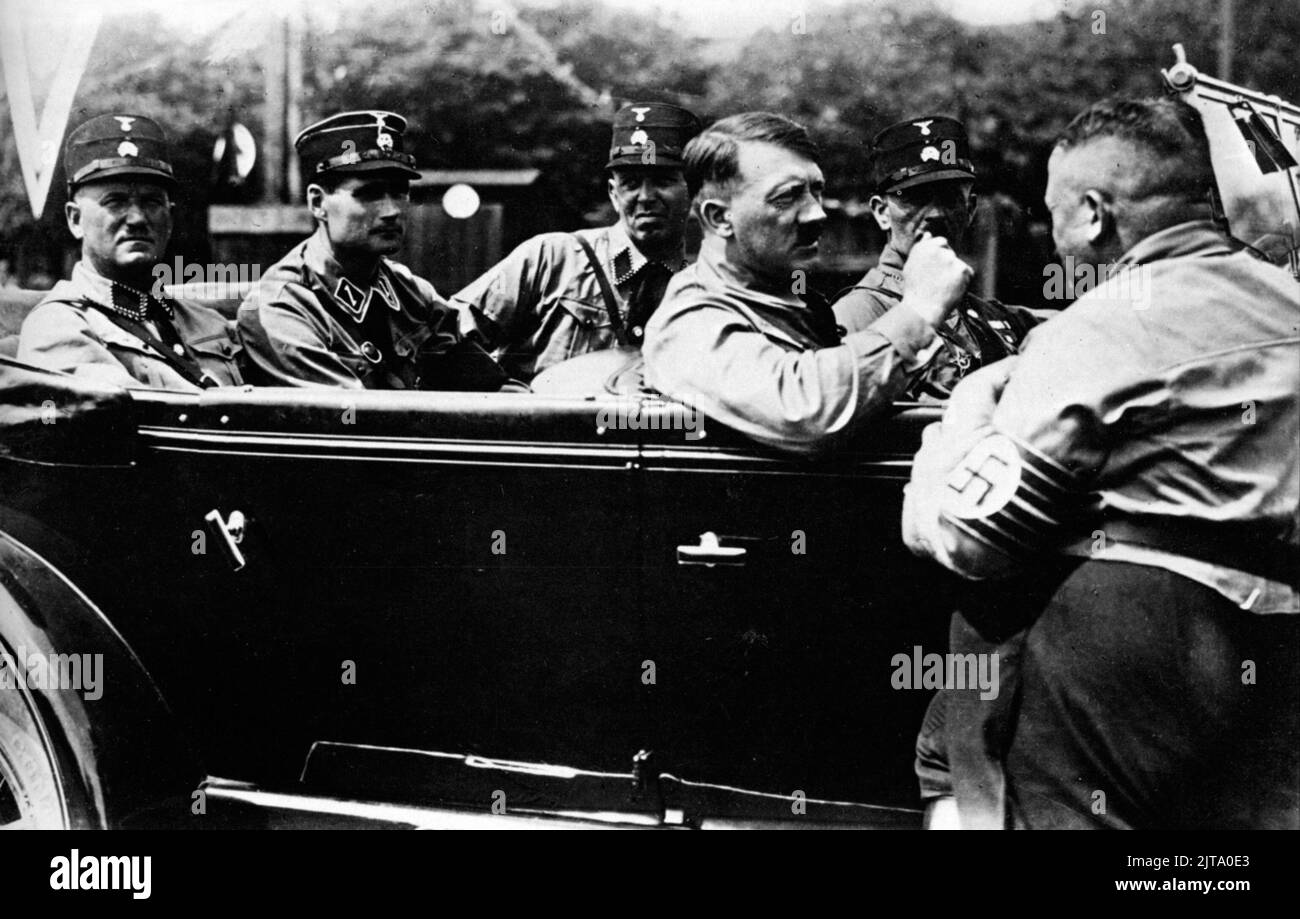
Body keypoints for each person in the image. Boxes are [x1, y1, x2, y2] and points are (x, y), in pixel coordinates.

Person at [902, 96, 1299, 829]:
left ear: (1092, 213)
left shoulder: (1098, 328)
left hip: (1134, 655)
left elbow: (971, 538)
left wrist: (964, 412)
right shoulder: (1290, 301)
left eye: (1052, 210)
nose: (1049, 234)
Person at [641, 111, 973, 456]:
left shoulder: (793, 308)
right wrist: (919, 311)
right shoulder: (689, 322)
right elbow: (805, 408)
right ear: (720, 217)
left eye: (817, 191)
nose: (817, 214)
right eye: (787, 196)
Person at [237, 110, 516, 391]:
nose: (392, 211)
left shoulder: (410, 293)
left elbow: (486, 388)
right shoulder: (283, 306)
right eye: (369, 194)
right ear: (318, 203)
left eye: (399, 192)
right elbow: (358, 420)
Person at [452, 102, 700, 382]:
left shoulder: (700, 288)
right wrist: (498, 390)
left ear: (694, 192)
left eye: (662, 181)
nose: (645, 196)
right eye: (631, 183)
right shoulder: (552, 258)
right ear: (613, 193)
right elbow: (447, 334)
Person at [18, 114, 242, 390]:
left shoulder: (209, 323)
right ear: (75, 220)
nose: (137, 218)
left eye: (150, 202)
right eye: (115, 201)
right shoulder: (58, 327)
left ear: (169, 219)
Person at [833, 116, 1043, 400]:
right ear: (882, 212)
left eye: (949, 198)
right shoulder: (858, 314)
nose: (934, 214)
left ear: (969, 210)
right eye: (914, 198)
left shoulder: (991, 318)